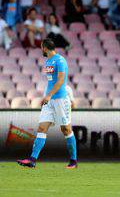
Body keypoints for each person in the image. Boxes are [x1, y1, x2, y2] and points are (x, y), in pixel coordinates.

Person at [17, 38, 77, 169]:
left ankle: (73, 161)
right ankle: (32, 160)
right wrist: (46, 96)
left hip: (61, 100)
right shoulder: (48, 61)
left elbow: (61, 80)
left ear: (45, 47)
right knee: (42, 128)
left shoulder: (60, 60)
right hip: (49, 101)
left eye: (41, 47)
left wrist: (49, 95)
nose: (41, 50)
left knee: (66, 130)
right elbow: (51, 82)